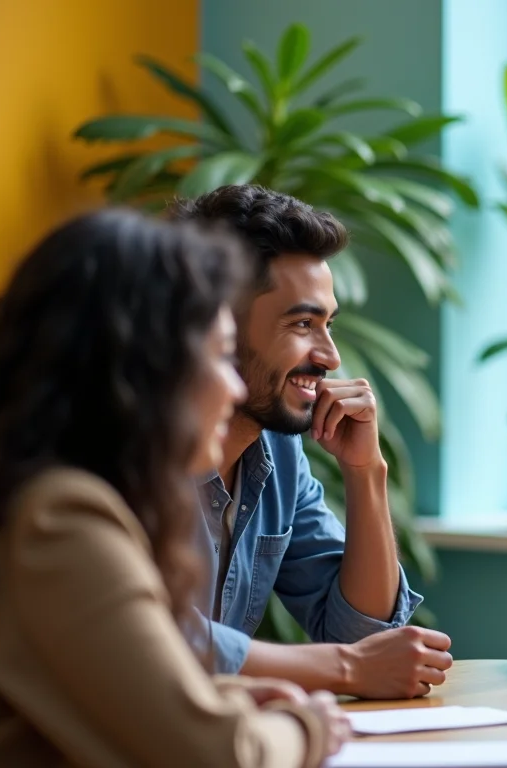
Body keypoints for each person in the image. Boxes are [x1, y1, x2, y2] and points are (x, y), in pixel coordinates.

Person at [0, 210, 349, 766]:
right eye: (216, 355)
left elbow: (115, 693)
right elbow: (216, 758)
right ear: (145, 367)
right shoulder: (62, 519)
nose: (232, 387)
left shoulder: (65, 501)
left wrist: (226, 696)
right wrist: (305, 726)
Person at [167, 185, 452, 699]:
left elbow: (362, 637)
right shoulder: (123, 456)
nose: (330, 357)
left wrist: (367, 473)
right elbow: (156, 641)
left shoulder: (277, 453)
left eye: (328, 324)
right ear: (216, 326)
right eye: (302, 323)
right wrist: (345, 668)